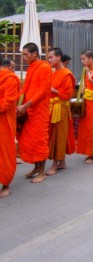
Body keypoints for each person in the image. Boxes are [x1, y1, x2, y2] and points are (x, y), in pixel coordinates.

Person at [16, 42, 52, 183]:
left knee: (39, 140)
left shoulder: (44, 67)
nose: (23, 57)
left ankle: (42, 172)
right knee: (29, 140)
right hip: (29, 109)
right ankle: (37, 167)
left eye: (26, 54)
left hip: (39, 109)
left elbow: (43, 91)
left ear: (34, 54)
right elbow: (26, 88)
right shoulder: (32, 67)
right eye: (23, 55)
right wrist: (19, 102)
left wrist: (26, 104)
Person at [47, 48, 76, 176]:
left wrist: (54, 90)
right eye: (48, 57)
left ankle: (55, 163)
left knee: (59, 136)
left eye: (51, 57)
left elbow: (67, 95)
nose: (49, 60)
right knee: (55, 134)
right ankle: (62, 162)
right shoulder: (53, 73)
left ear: (58, 57)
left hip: (61, 108)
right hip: (53, 107)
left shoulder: (66, 74)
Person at [0, 58, 20, 197]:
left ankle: (6, 183)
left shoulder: (10, 79)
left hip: (4, 121)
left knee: (4, 152)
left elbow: (7, 102)